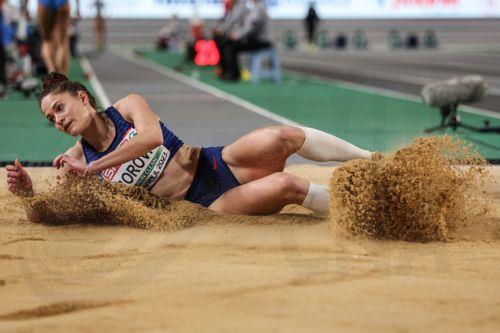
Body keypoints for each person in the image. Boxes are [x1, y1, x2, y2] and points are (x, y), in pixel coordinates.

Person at [5, 73, 378, 216]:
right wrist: (28, 194)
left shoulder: (128, 107)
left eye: (60, 108)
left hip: (214, 163)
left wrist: (95, 168)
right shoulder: (76, 160)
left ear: (82, 98)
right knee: (289, 185)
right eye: (51, 118)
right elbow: (55, 213)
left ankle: (371, 159)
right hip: (203, 204)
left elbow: (151, 138)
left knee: (283, 136)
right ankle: (362, 213)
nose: (58, 120)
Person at [22, 0, 80, 75]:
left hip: (44, 4)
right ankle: (63, 75)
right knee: (63, 42)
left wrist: (26, 7)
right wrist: (78, 7)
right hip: (62, 3)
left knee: (47, 41)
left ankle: (52, 70)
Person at [220, 0, 272, 81]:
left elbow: (251, 28)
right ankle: (228, 71)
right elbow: (246, 26)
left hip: (262, 41)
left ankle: (234, 74)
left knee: (232, 46)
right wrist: (235, 34)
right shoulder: (254, 8)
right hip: (254, 39)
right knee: (227, 43)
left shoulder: (260, 8)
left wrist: (237, 35)